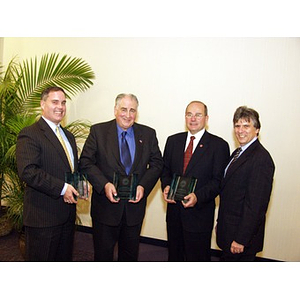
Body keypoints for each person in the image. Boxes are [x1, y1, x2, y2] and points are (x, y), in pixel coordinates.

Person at [79, 93, 163, 261]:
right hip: (105, 209)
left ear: (136, 112)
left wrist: (143, 186)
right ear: (115, 110)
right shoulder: (98, 131)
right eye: (123, 109)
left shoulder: (148, 134)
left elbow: (157, 164)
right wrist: (104, 185)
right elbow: (86, 162)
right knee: (103, 256)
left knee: (130, 256)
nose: (128, 114)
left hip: (134, 210)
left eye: (132, 110)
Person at [16, 86, 81, 261]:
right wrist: (62, 188)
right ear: (42, 104)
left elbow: (71, 169)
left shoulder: (69, 136)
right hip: (43, 218)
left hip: (67, 216)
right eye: (55, 102)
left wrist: (81, 183)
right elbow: (28, 171)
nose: (60, 106)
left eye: (63, 102)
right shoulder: (30, 134)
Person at [161, 101, 230, 261]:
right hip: (174, 214)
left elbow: (218, 181)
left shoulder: (219, 145)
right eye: (189, 114)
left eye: (198, 115)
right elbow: (165, 171)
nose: (193, 119)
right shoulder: (173, 141)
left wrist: (197, 197)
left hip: (199, 216)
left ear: (206, 118)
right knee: (174, 257)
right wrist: (166, 186)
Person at [216, 106, 275, 261]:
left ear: (257, 129)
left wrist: (241, 238)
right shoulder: (237, 153)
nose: (240, 130)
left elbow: (255, 206)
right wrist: (220, 223)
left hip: (241, 239)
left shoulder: (261, 159)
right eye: (237, 126)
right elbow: (229, 192)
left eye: (246, 126)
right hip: (229, 230)